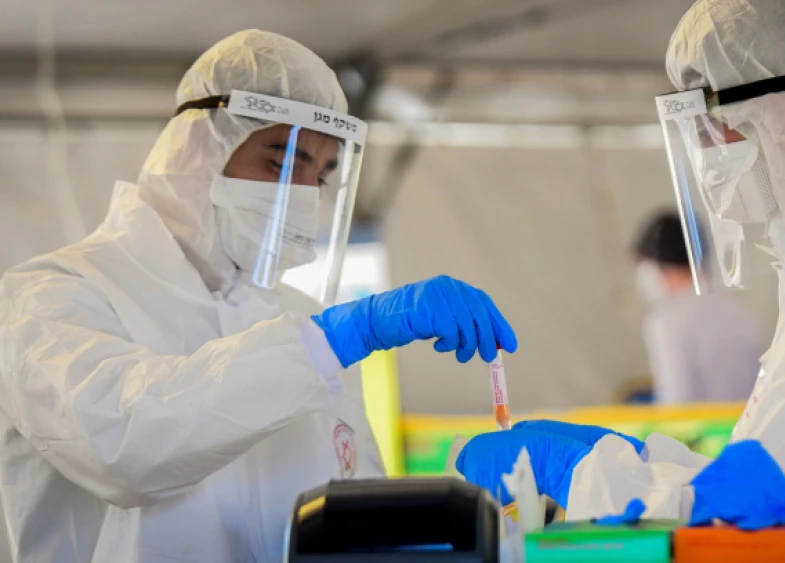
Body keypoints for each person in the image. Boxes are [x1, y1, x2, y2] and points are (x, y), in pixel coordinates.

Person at [457, 1, 785, 561]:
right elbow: (768, 463)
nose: (707, 153)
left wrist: (579, 472)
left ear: (780, 116)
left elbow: (761, 510)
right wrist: (637, 459)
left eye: (710, 125)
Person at [0, 30, 516, 563]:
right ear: (199, 150)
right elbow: (125, 444)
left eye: (321, 175)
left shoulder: (302, 322)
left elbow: (351, 524)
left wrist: (471, 505)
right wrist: (328, 342)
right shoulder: (49, 297)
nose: (304, 194)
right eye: (282, 163)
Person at [633, 211, 762, 404]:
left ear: (660, 264)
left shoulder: (666, 321)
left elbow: (676, 401)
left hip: (705, 423)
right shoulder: (737, 309)